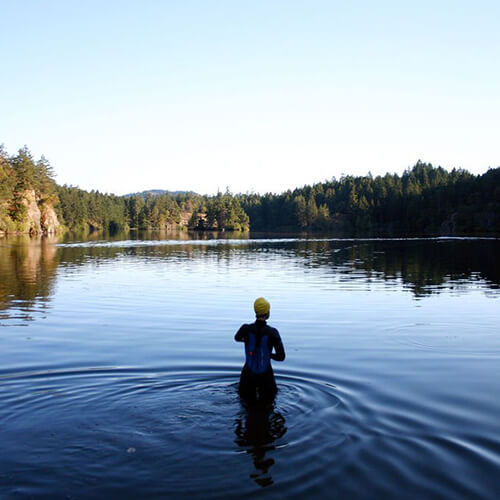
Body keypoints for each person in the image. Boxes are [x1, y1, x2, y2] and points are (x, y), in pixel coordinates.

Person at [235, 297, 285, 403]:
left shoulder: (245, 329)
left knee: (245, 405)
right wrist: (268, 355)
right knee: (267, 407)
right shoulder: (273, 332)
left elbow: (237, 338)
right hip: (266, 377)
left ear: (255, 311)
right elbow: (281, 357)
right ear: (267, 313)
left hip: (247, 375)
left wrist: (248, 342)